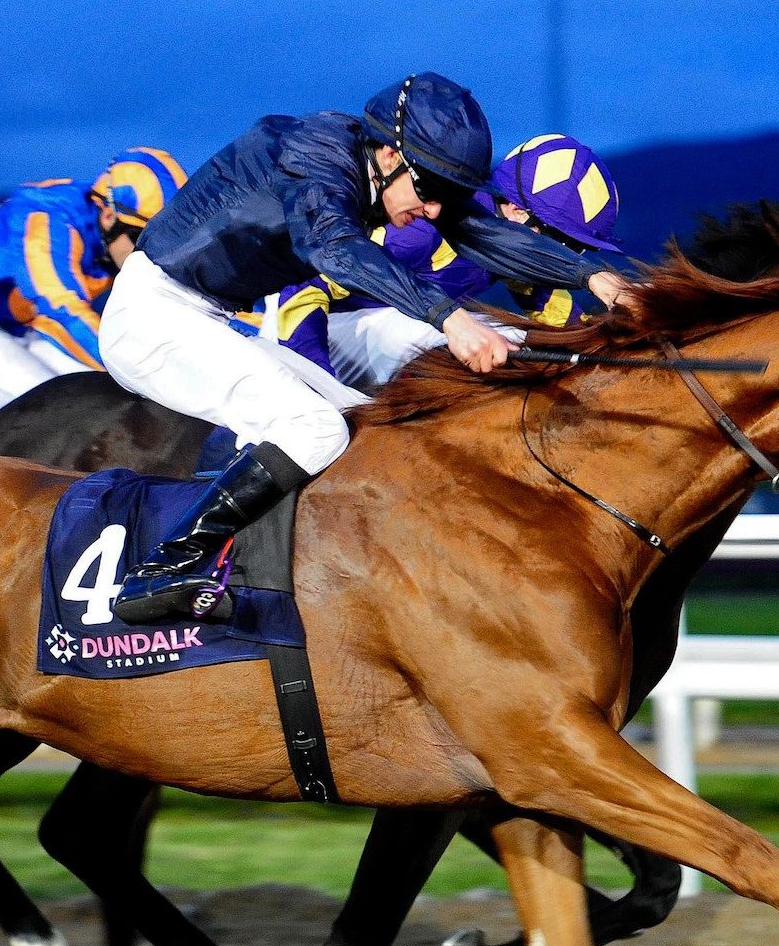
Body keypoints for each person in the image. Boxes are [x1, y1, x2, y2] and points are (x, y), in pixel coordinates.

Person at [102, 74, 617, 625]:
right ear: (391, 154)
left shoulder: (385, 173)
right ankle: (162, 572)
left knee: (360, 425)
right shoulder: (314, 154)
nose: (436, 211)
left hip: (208, 316)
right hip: (152, 318)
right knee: (316, 430)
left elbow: (478, 232)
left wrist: (596, 277)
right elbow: (331, 243)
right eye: (429, 191)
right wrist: (449, 317)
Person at [274, 133, 626, 392]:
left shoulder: (512, 248)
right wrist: (318, 385)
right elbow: (303, 288)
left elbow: (566, 325)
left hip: (378, 338)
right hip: (306, 329)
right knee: (470, 333)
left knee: (519, 339)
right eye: (564, 243)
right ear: (518, 212)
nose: (566, 256)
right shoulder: (422, 232)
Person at [0, 147, 188, 413]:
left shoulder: (115, 232)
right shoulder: (47, 220)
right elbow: (61, 310)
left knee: (121, 406)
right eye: (143, 240)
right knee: (61, 416)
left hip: (29, 326)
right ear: (108, 215)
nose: (152, 253)